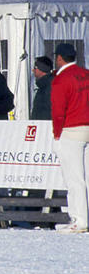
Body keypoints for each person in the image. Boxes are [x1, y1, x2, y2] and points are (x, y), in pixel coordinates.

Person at [50, 43, 89, 233]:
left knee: (74, 179)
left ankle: (79, 219)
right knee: (87, 178)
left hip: (71, 130)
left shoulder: (61, 79)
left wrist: (57, 135)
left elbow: (58, 111)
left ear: (59, 58)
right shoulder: (86, 74)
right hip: (87, 127)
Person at [30, 56, 54, 120]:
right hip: (40, 126)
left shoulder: (50, 87)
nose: (33, 70)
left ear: (42, 69)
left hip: (46, 127)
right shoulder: (43, 86)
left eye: (35, 68)